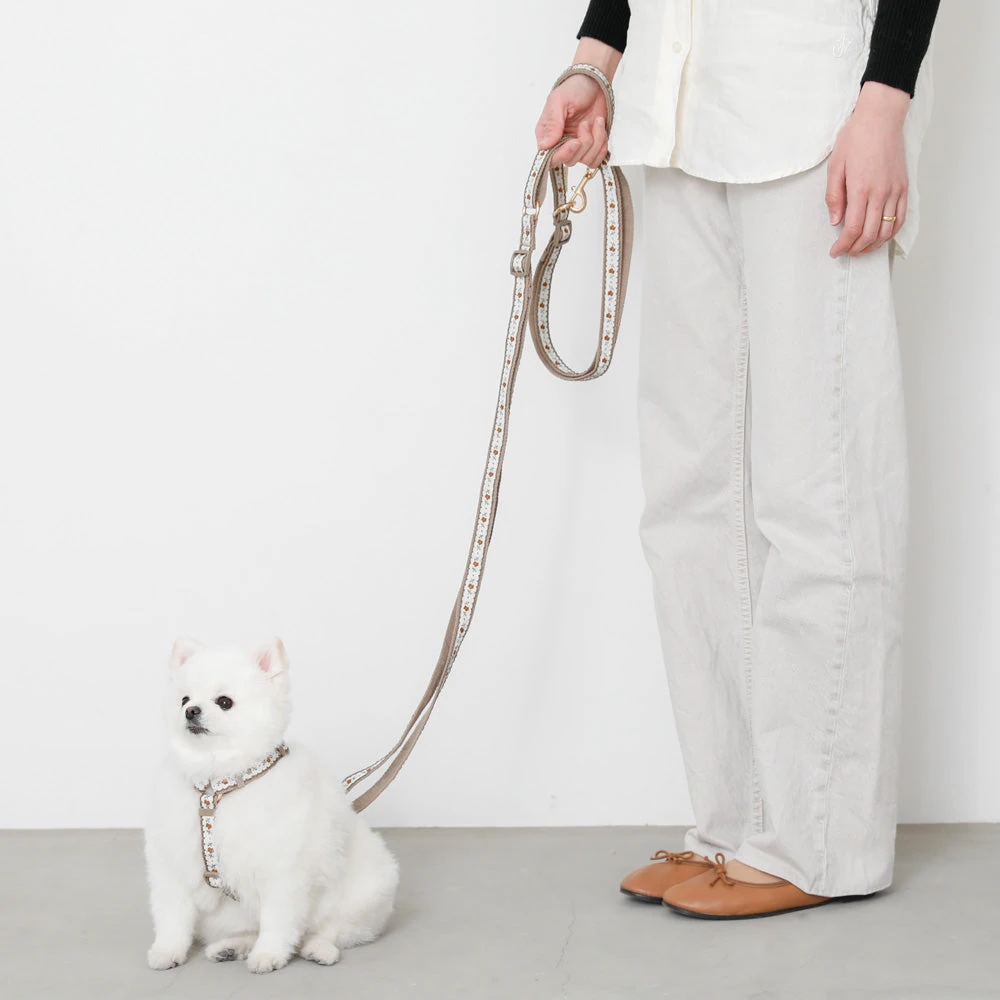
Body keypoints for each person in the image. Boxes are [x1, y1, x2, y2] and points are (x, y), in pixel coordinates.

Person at [535, 0, 941, 919]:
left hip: (811, 106)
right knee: (690, 499)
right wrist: (598, 56)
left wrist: (885, 101)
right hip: (678, 99)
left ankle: (819, 842)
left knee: (820, 490)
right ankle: (734, 827)